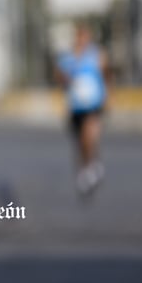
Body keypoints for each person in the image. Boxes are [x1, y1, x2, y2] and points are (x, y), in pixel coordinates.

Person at [54, 22, 110, 196]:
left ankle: (91, 167)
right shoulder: (68, 58)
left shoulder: (96, 56)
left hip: (93, 104)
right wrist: (67, 80)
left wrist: (109, 96)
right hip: (76, 106)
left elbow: (107, 75)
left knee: (90, 136)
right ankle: (87, 168)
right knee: (80, 142)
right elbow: (59, 76)